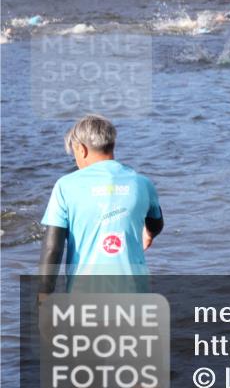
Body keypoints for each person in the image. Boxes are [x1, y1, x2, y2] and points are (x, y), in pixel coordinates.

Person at [37, 115, 164, 297]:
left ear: (81, 149)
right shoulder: (142, 183)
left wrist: (43, 295)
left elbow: (53, 248)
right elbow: (156, 223)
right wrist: (149, 234)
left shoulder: (65, 186)